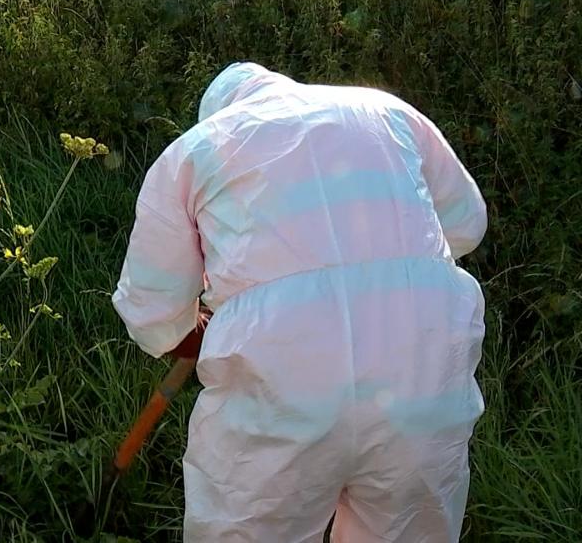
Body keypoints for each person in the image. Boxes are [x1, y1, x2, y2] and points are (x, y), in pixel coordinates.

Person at [111, 62, 487, 542]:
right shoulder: (386, 112)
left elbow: (150, 312)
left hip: (281, 388)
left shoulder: (198, 148)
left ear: (217, 112)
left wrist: (199, 328)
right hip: (424, 371)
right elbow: (465, 226)